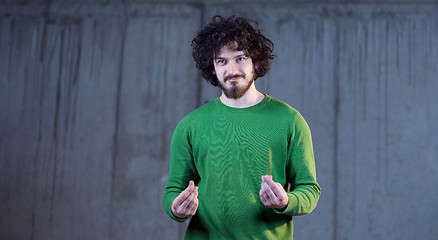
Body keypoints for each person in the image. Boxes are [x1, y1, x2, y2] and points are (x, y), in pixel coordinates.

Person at [163, 15, 321, 239]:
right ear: (213, 67)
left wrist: (286, 201)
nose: (232, 70)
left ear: (255, 61)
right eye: (222, 61)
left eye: (240, 58)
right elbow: (172, 191)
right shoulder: (189, 126)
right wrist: (176, 208)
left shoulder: (290, 120)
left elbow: (309, 189)